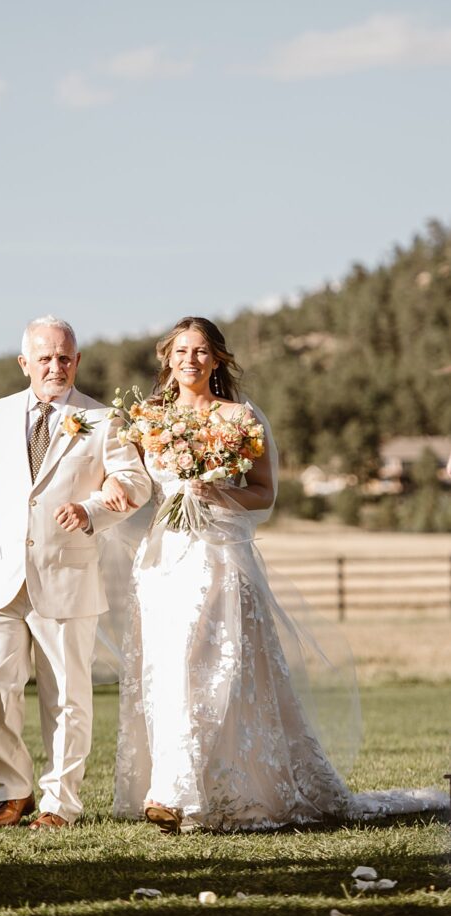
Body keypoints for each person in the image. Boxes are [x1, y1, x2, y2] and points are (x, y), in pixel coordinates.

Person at [103, 316, 447, 833]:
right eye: (181, 352)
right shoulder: (146, 418)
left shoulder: (240, 418)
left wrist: (215, 491)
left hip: (219, 554)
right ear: (167, 360)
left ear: (216, 358)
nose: (190, 360)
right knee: (167, 668)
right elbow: (128, 479)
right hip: (163, 559)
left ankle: (180, 793)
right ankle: (173, 786)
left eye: (200, 351)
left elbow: (263, 493)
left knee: (212, 667)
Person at [0, 316, 151, 831]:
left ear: (76, 361)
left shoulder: (105, 421)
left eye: (64, 358)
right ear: (24, 363)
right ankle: (12, 792)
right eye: (45, 358)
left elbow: (134, 482)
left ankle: (61, 804)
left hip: (67, 576)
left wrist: (94, 510)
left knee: (67, 697)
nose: (55, 366)